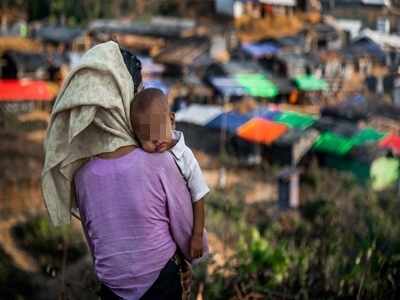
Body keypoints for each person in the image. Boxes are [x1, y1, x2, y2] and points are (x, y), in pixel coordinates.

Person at [130, 88, 209, 260]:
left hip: (188, 231)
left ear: (171, 120)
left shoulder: (185, 157)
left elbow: (199, 196)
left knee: (192, 265)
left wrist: (197, 235)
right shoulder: (143, 158)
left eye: (158, 131)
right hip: (161, 236)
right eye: (147, 138)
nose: (156, 140)